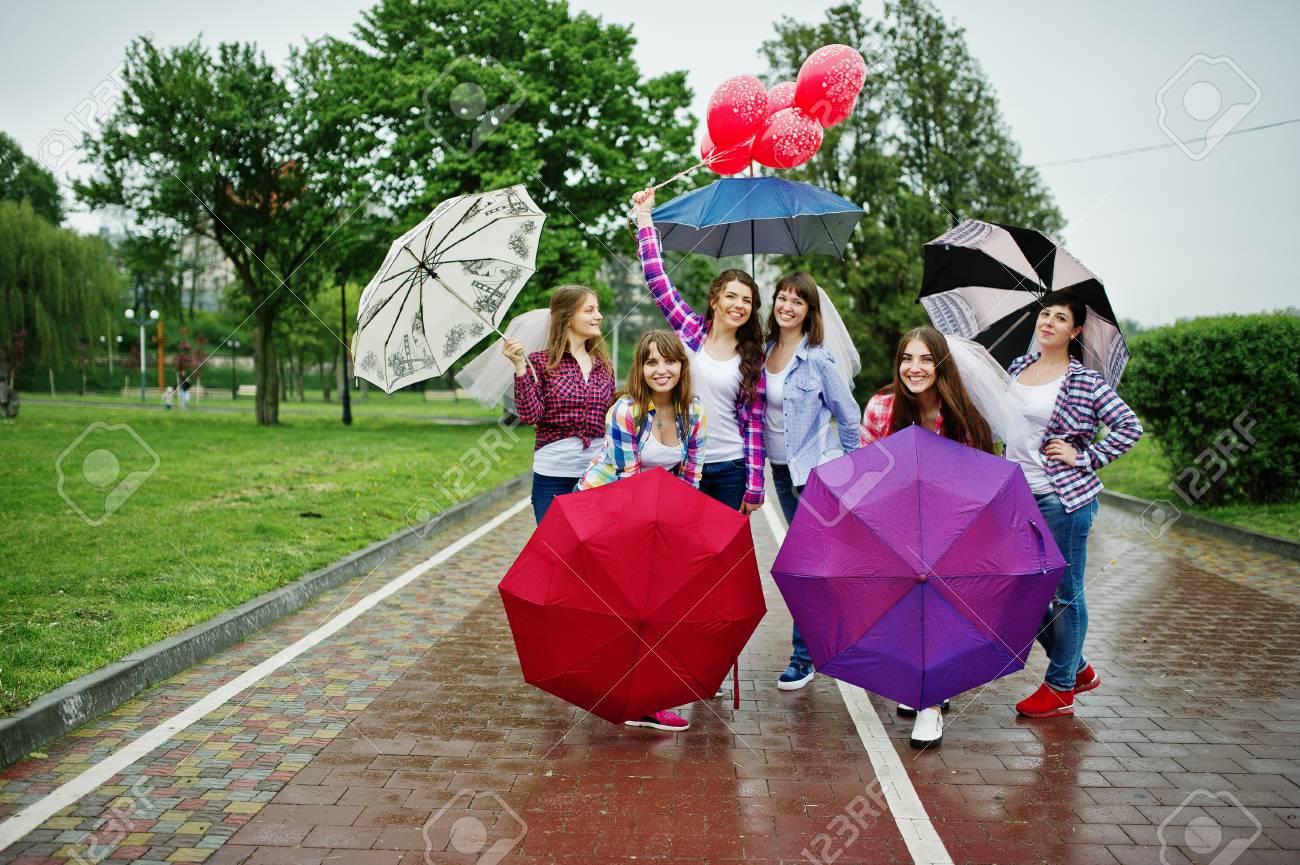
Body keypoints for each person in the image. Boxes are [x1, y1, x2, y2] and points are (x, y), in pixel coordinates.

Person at [1006, 290, 1142, 719]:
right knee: (1018, 591)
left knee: (1066, 593)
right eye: (1044, 314)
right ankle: (1077, 666)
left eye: (1059, 317)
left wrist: (1084, 457)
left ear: (1075, 330)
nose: (1047, 322)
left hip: (1062, 499)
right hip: (1018, 496)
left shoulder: (1083, 380)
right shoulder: (1018, 367)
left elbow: (1128, 426)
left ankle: (1061, 685)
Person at [860, 326, 995, 749]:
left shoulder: (963, 418)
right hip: (894, 524)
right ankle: (920, 681)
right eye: (906, 358)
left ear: (941, 366)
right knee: (902, 612)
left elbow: (980, 482)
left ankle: (931, 704)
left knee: (936, 612)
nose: (914, 368)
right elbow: (866, 471)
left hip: (950, 530)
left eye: (924, 360)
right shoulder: (882, 408)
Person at [575, 330, 707, 733]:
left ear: (682, 366)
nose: (661, 369)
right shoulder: (626, 412)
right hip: (604, 509)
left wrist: (679, 536)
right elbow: (629, 482)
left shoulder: (694, 412)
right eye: (651, 362)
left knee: (659, 604)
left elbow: (691, 478)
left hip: (656, 509)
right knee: (629, 605)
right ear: (641, 369)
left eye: (669, 361)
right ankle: (638, 699)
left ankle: (641, 695)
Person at [631, 188, 766, 515]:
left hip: (731, 469)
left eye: (747, 300)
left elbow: (755, 425)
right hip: (687, 461)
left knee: (725, 557)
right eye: (732, 296)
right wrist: (645, 218)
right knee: (682, 554)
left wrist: (756, 485)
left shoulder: (752, 357)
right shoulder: (690, 329)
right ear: (714, 300)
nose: (739, 305)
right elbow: (657, 279)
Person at [763, 272, 861, 691]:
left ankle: (803, 658)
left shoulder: (818, 358)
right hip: (781, 473)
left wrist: (850, 472)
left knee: (802, 566)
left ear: (809, 311)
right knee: (816, 567)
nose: (787, 306)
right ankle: (841, 640)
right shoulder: (765, 351)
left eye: (797, 301)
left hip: (815, 476)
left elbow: (849, 415)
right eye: (782, 298)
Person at [504, 285, 615, 523]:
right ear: (567, 318)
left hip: (597, 476)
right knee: (554, 551)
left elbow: (611, 419)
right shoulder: (538, 363)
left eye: (598, 309)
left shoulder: (604, 366)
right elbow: (530, 415)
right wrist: (520, 368)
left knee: (591, 552)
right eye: (589, 310)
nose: (599, 316)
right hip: (553, 475)